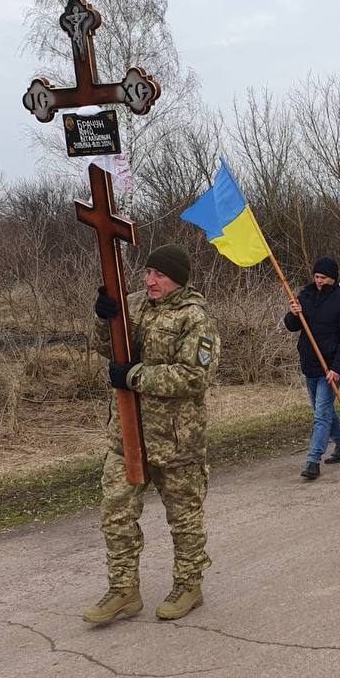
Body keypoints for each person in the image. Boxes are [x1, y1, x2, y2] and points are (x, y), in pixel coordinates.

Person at [83, 244, 221, 624]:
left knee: (184, 518)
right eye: (148, 273)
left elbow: (195, 375)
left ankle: (189, 584)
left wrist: (133, 376)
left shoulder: (194, 317)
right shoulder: (134, 304)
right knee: (116, 513)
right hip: (126, 436)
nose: (150, 280)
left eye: (159, 274)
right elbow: (103, 345)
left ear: (177, 278)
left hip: (176, 441)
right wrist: (102, 318)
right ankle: (124, 590)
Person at [284, 257, 340, 481]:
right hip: (310, 363)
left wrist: (338, 368)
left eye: (323, 278)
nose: (318, 281)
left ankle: (313, 460)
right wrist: (293, 313)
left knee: (321, 414)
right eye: (316, 277)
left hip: (329, 366)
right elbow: (292, 326)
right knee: (321, 409)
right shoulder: (306, 295)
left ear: (333, 278)